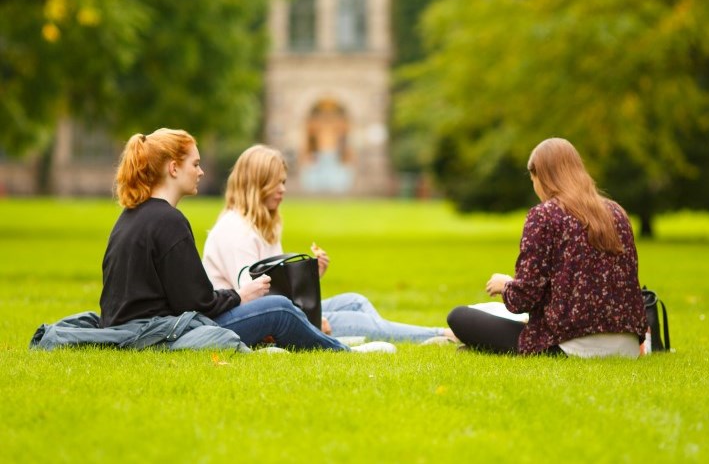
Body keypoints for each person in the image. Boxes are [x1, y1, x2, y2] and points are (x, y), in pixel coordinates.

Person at [100, 128, 395, 354]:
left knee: (317, 304)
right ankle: (342, 351)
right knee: (278, 308)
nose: (201, 172)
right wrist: (242, 295)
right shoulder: (168, 221)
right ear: (174, 168)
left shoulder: (130, 217)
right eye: (195, 164)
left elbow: (179, 297)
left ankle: (324, 338)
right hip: (160, 333)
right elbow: (197, 302)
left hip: (144, 327)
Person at [202, 144, 455, 344]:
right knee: (352, 319)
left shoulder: (266, 223)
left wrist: (311, 276)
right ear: (256, 185)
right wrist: (310, 321)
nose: (282, 190)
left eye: (284, 182)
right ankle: (439, 334)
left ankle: (388, 334)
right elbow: (254, 298)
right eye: (276, 183)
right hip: (244, 320)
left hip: (272, 310)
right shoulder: (235, 230)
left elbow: (279, 288)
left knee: (355, 302)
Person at [447, 137, 648, 357]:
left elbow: (524, 298)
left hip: (570, 344)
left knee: (459, 317)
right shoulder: (616, 213)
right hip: (628, 345)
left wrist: (505, 286)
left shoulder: (544, 215)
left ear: (541, 176)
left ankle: (480, 347)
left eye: (533, 178)